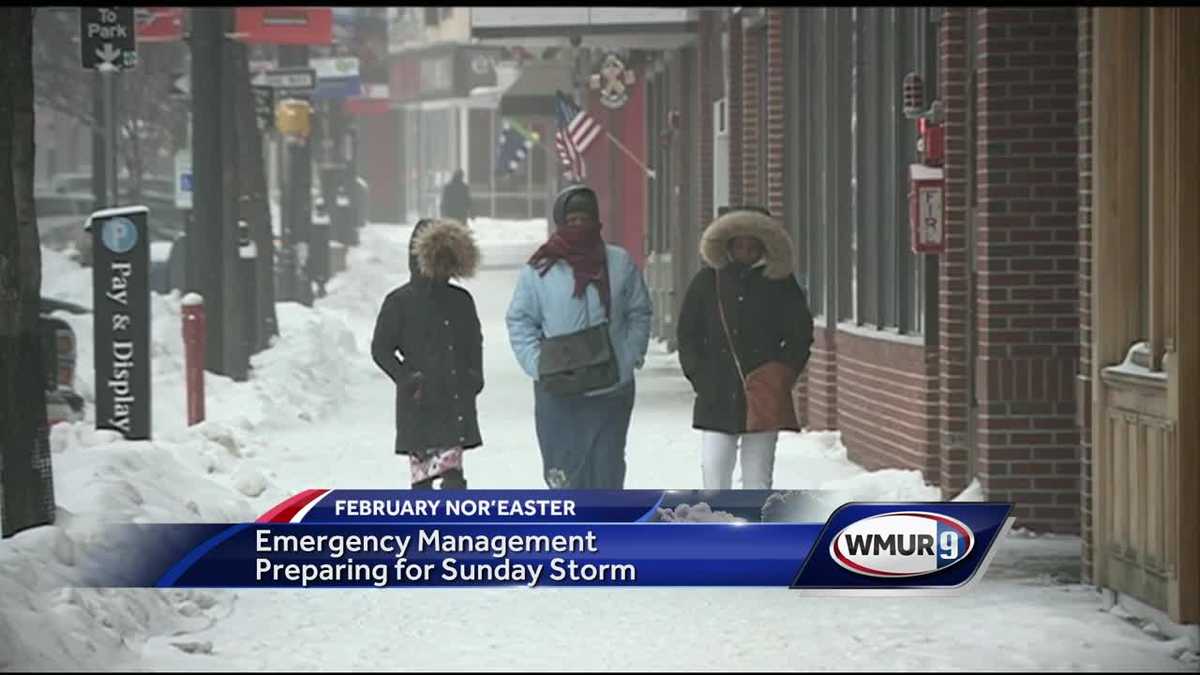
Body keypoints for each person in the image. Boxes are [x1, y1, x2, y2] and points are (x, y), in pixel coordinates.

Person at [506, 184, 653, 489]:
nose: (578, 226)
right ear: (560, 221)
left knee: (607, 474)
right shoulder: (539, 269)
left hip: (611, 387)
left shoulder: (619, 262)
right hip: (559, 391)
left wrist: (627, 358)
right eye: (571, 220)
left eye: (585, 219)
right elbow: (520, 321)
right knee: (565, 477)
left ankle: (607, 534)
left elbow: (639, 312)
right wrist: (539, 364)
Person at [676, 206, 814, 490]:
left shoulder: (780, 284)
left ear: (764, 246)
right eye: (739, 244)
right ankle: (719, 531)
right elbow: (688, 334)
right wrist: (700, 376)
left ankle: (755, 532)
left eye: (753, 245)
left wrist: (782, 374)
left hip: (763, 393)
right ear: (728, 245)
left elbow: (801, 335)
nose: (745, 251)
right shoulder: (707, 282)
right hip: (716, 393)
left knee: (758, 479)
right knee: (714, 475)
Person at [371, 218, 483, 490]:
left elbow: (473, 343)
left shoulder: (460, 301)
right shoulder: (400, 302)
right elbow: (381, 348)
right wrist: (406, 378)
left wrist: (473, 377)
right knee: (422, 483)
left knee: (453, 479)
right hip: (419, 403)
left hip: (453, 398)